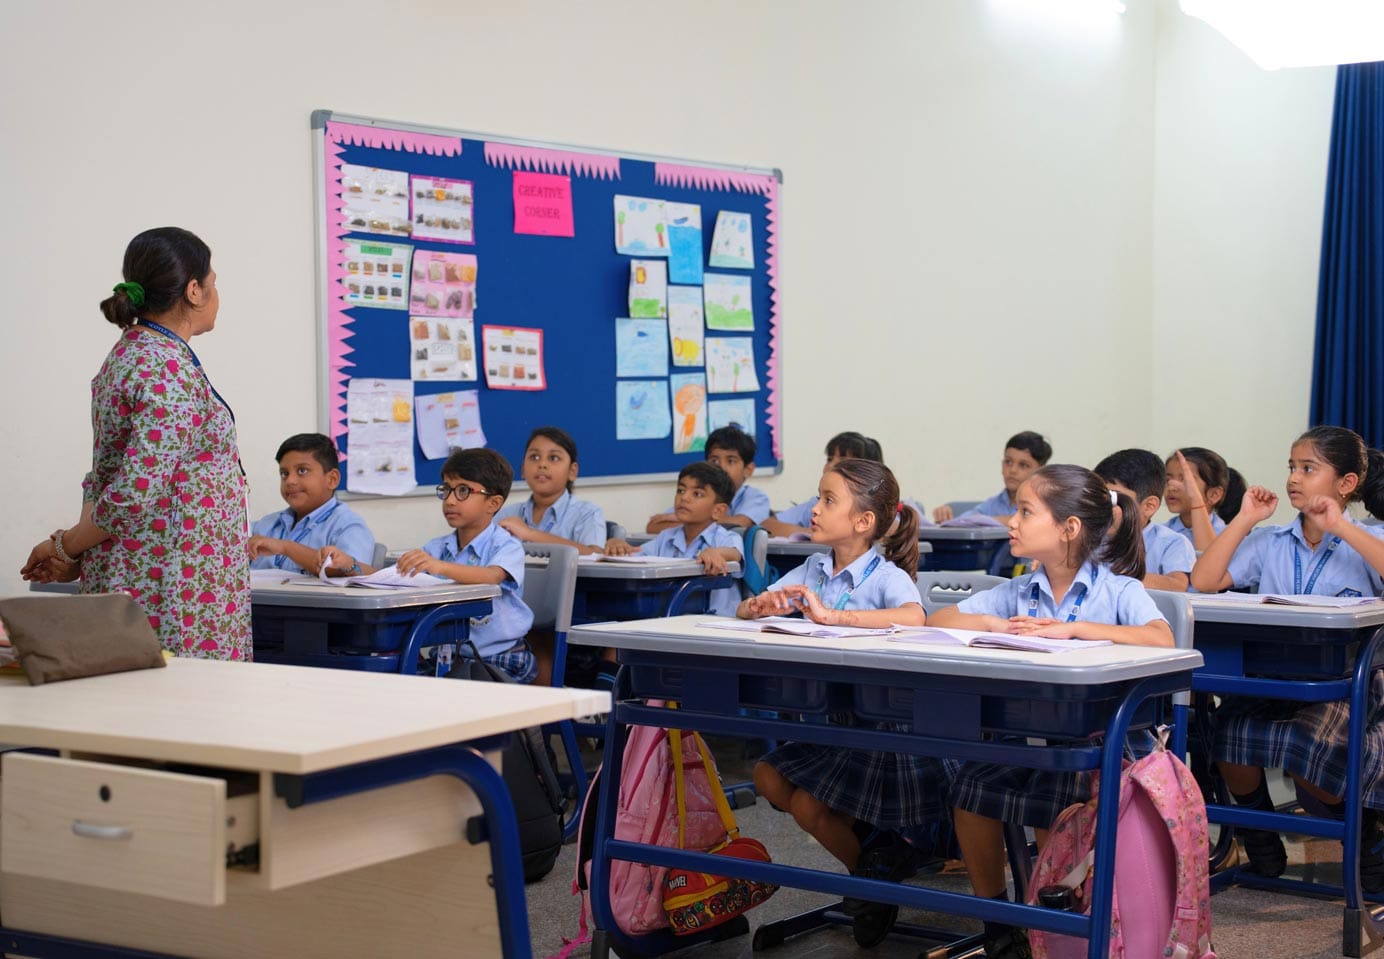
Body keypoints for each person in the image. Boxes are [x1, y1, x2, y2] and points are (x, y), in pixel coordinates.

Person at [929, 464, 1172, 959]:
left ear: (1069, 528)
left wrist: (1076, 630)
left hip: (1104, 743)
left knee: (1060, 796)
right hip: (1032, 736)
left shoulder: (1118, 589)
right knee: (971, 790)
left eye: (1024, 511)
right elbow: (939, 618)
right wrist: (994, 623)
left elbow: (1160, 637)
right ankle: (1000, 921)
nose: (1011, 522)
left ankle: (1059, 922)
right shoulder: (1018, 590)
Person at [20, 227, 251, 660]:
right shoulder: (164, 368)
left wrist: (75, 547)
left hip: (160, 573)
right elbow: (132, 493)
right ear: (194, 290)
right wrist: (65, 546)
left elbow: (102, 476)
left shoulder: (131, 354)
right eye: (214, 283)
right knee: (187, 712)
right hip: (175, 585)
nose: (218, 294)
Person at [743, 459, 938, 945]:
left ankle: (869, 881)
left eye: (828, 500)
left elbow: (915, 618)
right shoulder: (814, 566)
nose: (813, 508)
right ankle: (874, 874)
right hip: (832, 722)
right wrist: (758, 607)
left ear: (863, 521)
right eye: (818, 496)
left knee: (810, 807)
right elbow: (750, 607)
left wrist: (834, 618)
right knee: (766, 775)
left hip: (883, 731)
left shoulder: (884, 576)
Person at [1189, 426, 1384, 885]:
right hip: (1273, 676)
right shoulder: (1271, 541)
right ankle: (1260, 837)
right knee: (1228, 733)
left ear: (1347, 484)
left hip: (1343, 682)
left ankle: (1363, 836)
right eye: (1291, 467)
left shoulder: (1370, 536)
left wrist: (1341, 526)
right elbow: (1204, 580)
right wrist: (1244, 519)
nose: (1294, 477)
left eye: (1308, 468)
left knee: (1308, 745)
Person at [325, 448, 536, 682]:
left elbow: (492, 576)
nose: (450, 500)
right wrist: (350, 565)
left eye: (463, 491)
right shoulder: (438, 547)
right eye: (446, 489)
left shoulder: (506, 546)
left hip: (499, 659)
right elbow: (393, 576)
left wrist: (440, 567)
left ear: (493, 503)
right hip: (447, 658)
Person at [606, 462, 743, 616]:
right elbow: (634, 557)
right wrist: (617, 546)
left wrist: (717, 553)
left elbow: (735, 554)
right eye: (681, 490)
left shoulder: (725, 537)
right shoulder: (666, 537)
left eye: (696, 494)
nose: (684, 498)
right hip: (672, 618)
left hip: (715, 622)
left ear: (718, 510)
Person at [247, 433, 374, 576]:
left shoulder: (348, 526)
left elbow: (356, 574)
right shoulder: (266, 525)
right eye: (284, 473)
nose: (290, 481)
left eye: (302, 471)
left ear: (332, 479)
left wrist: (286, 547)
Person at [1095, 448, 1195, 591]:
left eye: (1115, 498)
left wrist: (1113, 577)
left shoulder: (1171, 542)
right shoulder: (1088, 537)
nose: (1105, 506)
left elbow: (1177, 584)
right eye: (1100, 497)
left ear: (1149, 506)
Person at [496, 427, 606, 555]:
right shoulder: (507, 515)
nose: (542, 464)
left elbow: (594, 554)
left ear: (572, 471)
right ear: (522, 470)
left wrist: (529, 534)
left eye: (553, 458)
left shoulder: (586, 513)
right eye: (534, 457)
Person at [645, 426, 769, 533]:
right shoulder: (698, 494)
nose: (721, 467)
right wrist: (690, 519)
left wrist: (685, 519)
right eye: (714, 460)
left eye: (730, 461)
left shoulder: (756, 497)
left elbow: (739, 524)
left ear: (748, 469)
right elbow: (654, 527)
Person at [762, 431, 883, 537]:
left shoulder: (876, 508)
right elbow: (766, 525)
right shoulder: (816, 505)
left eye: (842, 460)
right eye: (829, 459)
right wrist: (808, 532)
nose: (831, 465)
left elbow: (890, 532)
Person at [933, 431, 1051, 524]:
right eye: (1008, 462)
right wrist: (946, 516)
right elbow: (967, 521)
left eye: (1023, 465)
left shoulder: (1049, 505)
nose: (1013, 470)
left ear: (1040, 471)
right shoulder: (993, 504)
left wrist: (992, 521)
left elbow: (1031, 520)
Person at [1163, 446, 1234, 552]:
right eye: (1168, 479)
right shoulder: (1160, 533)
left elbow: (1210, 566)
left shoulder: (1230, 537)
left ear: (1214, 494)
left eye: (1186, 480)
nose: (1172, 487)